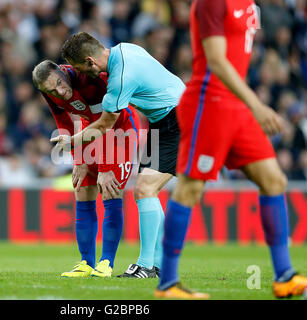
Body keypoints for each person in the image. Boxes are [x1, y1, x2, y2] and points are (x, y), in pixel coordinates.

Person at [154, 0, 307, 299]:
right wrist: (257, 104)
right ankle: (168, 283)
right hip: (208, 105)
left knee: (273, 180)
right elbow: (217, 61)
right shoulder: (212, 2)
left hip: (236, 107)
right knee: (190, 190)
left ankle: (284, 276)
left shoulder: (250, 3)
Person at [53, 32, 186, 278]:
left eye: (80, 68)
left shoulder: (120, 78)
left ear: (90, 61)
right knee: (148, 191)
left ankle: (146, 265)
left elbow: (104, 125)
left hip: (180, 118)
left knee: (144, 190)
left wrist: (71, 144)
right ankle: (157, 264)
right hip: (166, 118)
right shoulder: (126, 48)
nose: (80, 74)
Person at [32, 60, 140, 277]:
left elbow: (106, 124)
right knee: (82, 190)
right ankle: (86, 263)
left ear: (63, 71)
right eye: (52, 90)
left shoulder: (91, 80)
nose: (60, 92)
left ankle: (106, 263)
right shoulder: (48, 87)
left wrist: (106, 167)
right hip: (88, 129)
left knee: (110, 190)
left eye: (59, 85)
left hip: (119, 133)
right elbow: (62, 120)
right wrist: (79, 159)